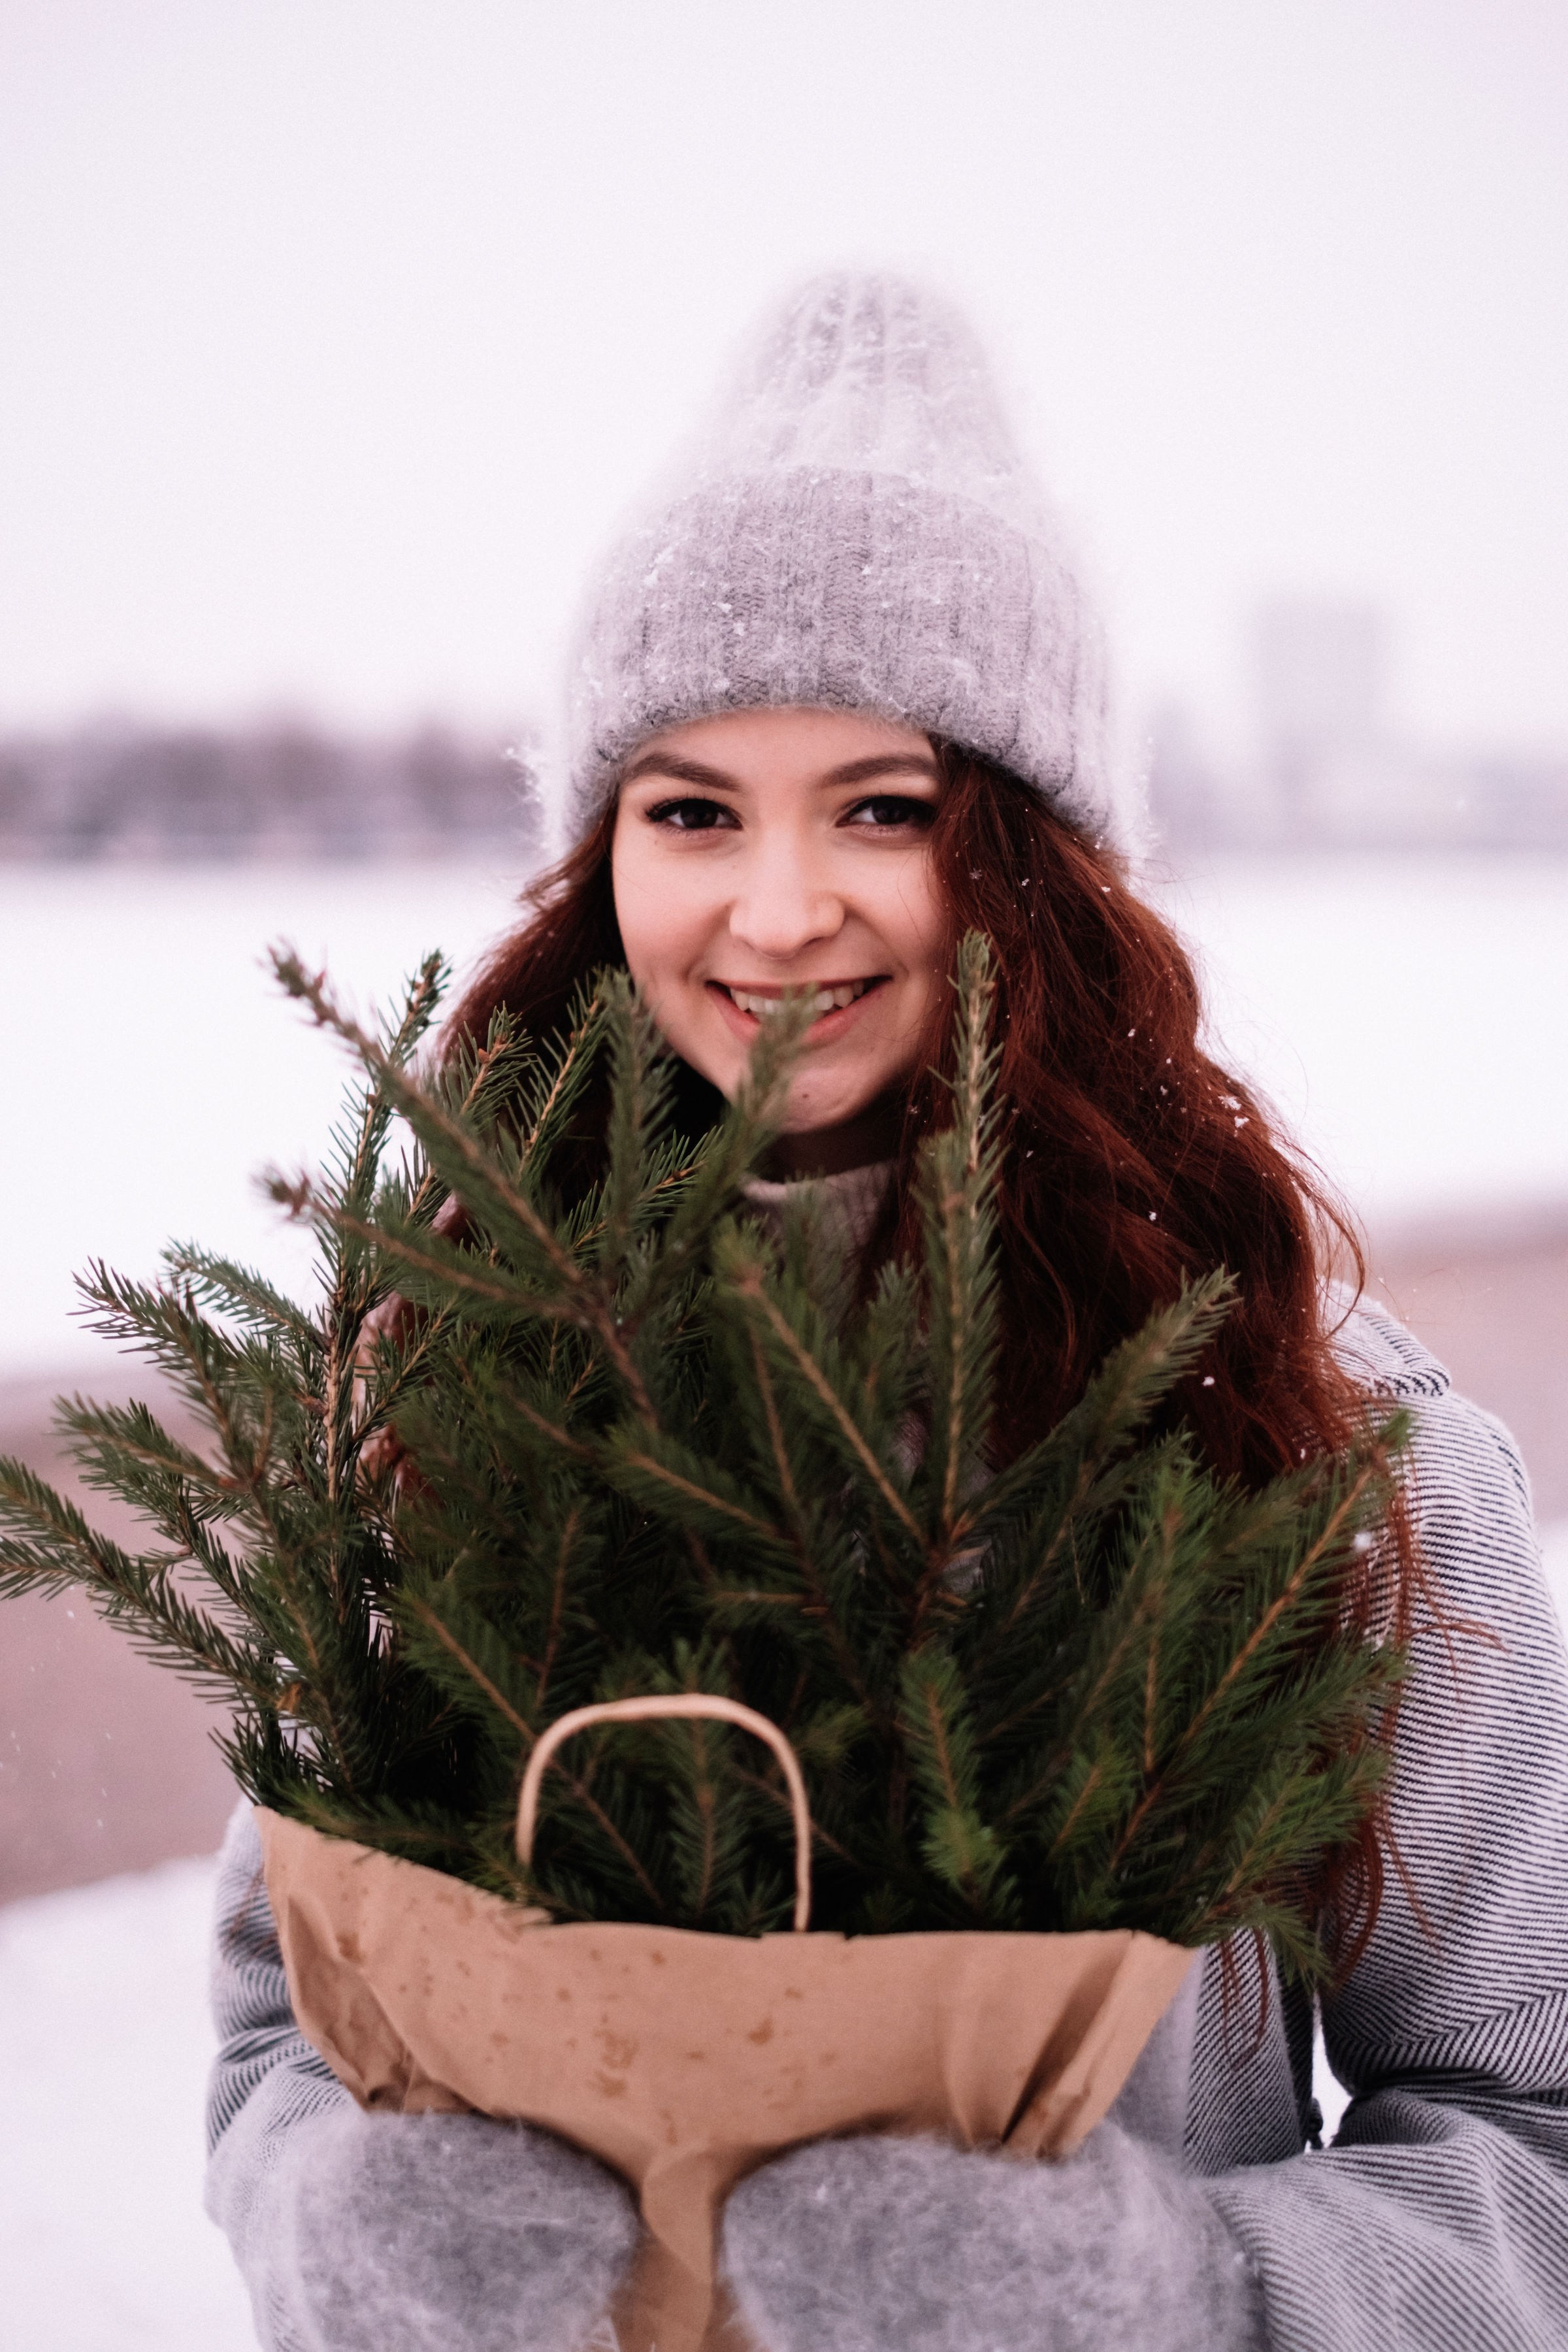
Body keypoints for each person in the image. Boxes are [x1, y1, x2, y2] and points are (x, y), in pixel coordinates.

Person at [205, 274, 1568, 2351]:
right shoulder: (459, 1387)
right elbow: (272, 2027)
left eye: (881, 807)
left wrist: (1198, 2295)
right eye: (690, 809)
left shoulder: (1318, 1447)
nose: (774, 910)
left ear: (1033, 858)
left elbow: (1533, 2136)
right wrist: (337, 2212)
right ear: (598, 860)